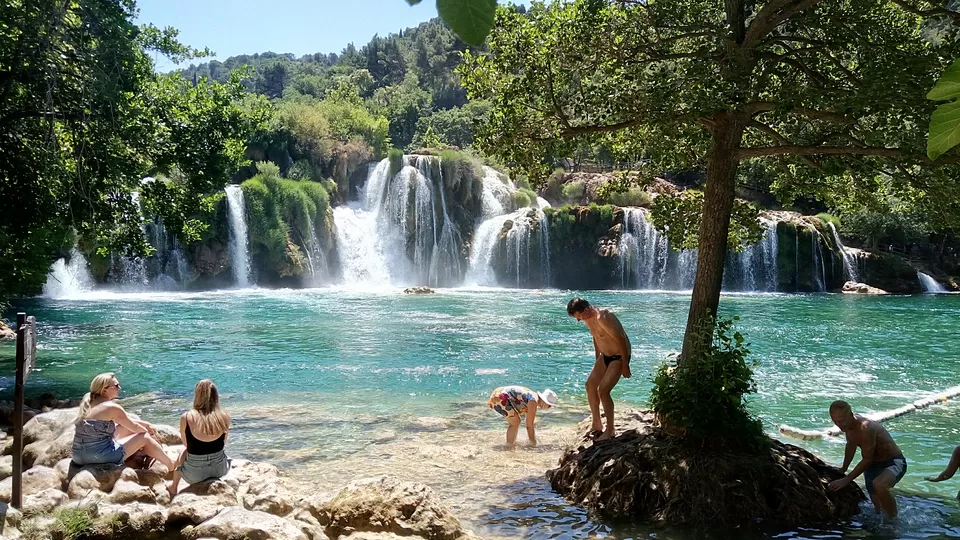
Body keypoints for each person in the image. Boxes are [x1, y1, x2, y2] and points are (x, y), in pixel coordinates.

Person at [71, 372, 175, 472]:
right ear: (104, 390)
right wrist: (150, 434)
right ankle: (171, 465)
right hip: (97, 457)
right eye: (116, 386)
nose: (119, 388)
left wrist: (145, 424)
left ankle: (150, 452)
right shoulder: (111, 407)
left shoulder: (89, 399)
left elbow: (122, 421)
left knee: (124, 428)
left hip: (78, 456)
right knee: (145, 437)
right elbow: (134, 427)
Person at [827, 400, 907, 518]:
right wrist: (843, 469)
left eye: (842, 420)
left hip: (893, 462)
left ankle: (894, 522)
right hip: (872, 466)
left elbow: (867, 459)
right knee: (879, 509)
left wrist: (847, 479)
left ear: (851, 414)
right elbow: (850, 445)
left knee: (879, 485)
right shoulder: (848, 427)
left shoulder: (865, 427)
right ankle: (884, 524)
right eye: (836, 421)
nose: (840, 425)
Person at [566, 297, 631, 441]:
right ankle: (597, 424)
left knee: (603, 391)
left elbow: (621, 339)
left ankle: (610, 430)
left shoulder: (604, 317)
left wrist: (626, 364)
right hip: (605, 356)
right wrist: (597, 361)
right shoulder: (588, 319)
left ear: (586, 310)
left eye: (579, 317)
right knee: (590, 385)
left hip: (619, 356)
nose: (579, 320)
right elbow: (596, 337)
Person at [168, 379, 232, 498]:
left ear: (197, 395)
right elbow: (224, 442)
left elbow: (186, 444)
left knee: (183, 451)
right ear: (216, 396)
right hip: (219, 470)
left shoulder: (186, 417)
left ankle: (173, 487)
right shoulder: (224, 417)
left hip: (194, 474)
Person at [487, 385, 557, 448]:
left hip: (498, 393)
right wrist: (533, 443)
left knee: (516, 421)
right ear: (545, 401)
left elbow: (528, 422)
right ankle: (509, 445)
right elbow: (529, 425)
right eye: (549, 405)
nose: (549, 408)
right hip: (500, 397)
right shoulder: (533, 401)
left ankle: (511, 443)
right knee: (515, 422)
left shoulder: (533, 397)